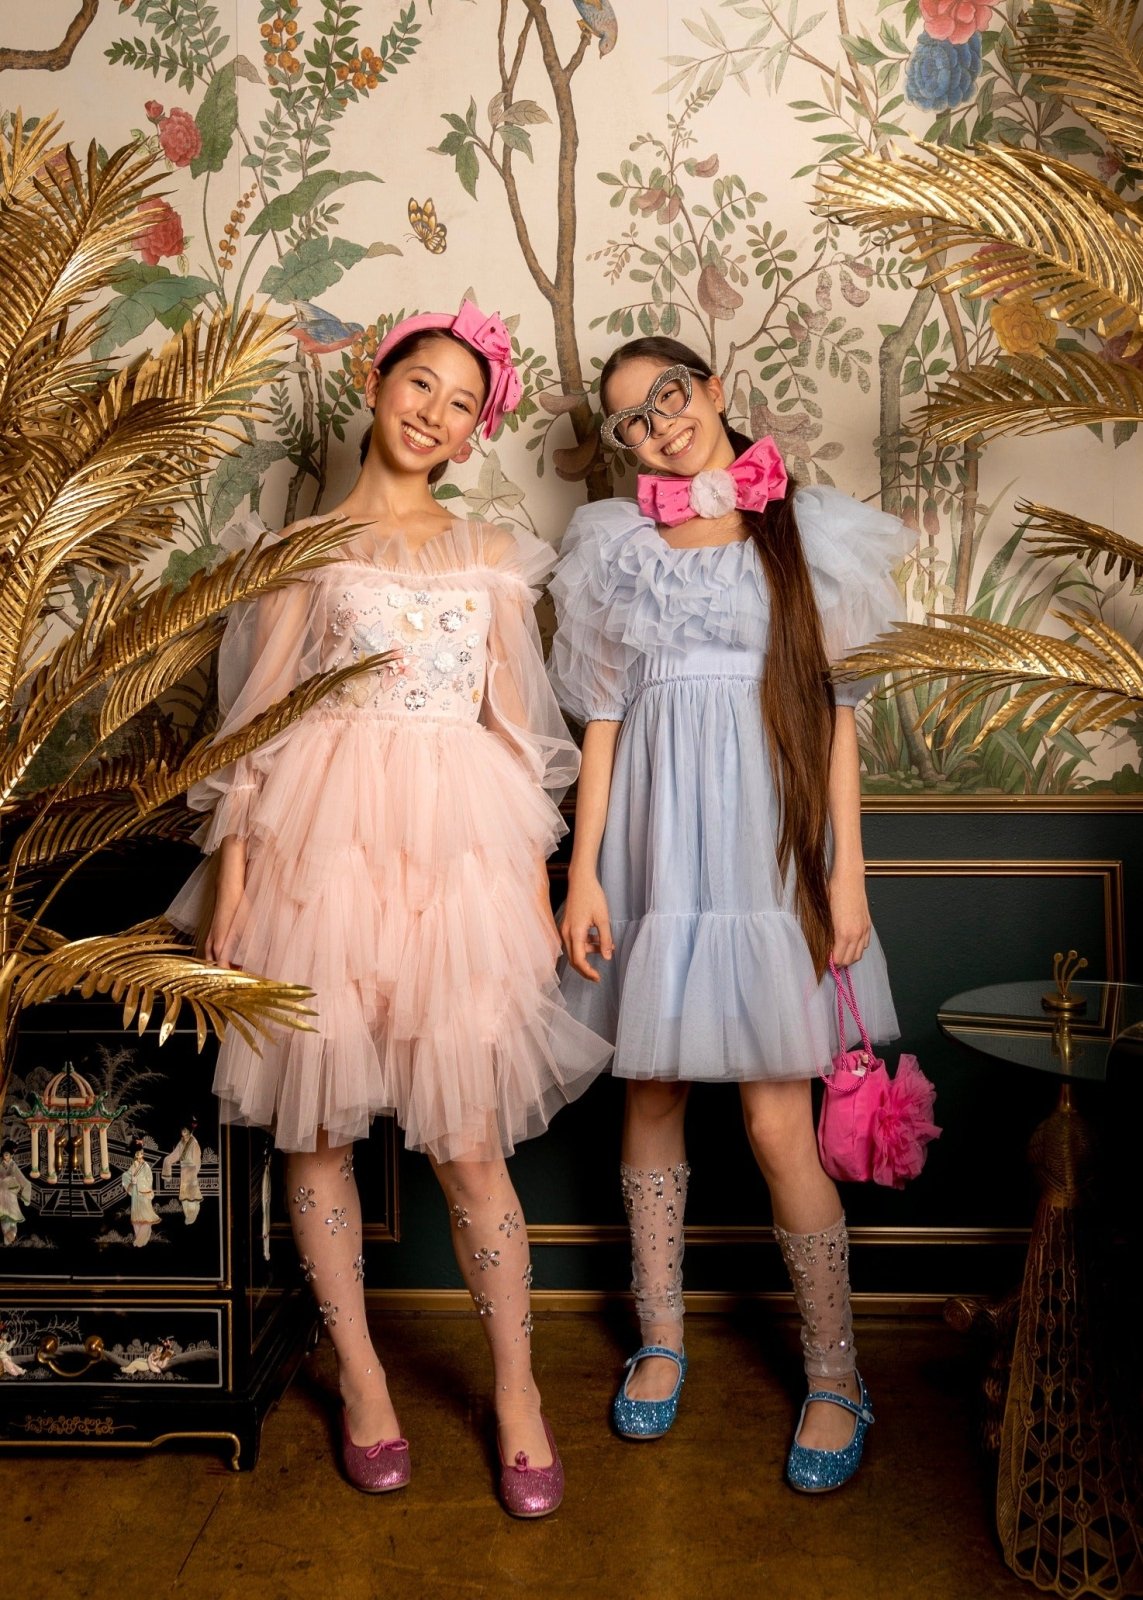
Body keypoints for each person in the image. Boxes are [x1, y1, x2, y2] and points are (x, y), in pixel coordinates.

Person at [167, 300, 610, 1515]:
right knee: (316, 1132)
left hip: (456, 862)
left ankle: (516, 1392)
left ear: (474, 434)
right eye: (421, 384)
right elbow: (254, 727)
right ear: (376, 382)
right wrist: (234, 887)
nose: (435, 413)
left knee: (471, 1143)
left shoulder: (490, 554)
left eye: (463, 404)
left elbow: (518, 736)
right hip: (323, 855)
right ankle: (363, 1380)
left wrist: (526, 891)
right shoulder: (303, 549)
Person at [548, 337, 910, 1493]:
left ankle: (836, 1372)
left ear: (712, 390)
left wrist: (846, 875)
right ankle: (660, 1337)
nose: (658, 423)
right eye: (631, 418)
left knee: (774, 1122)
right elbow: (604, 723)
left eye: (670, 395)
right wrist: (584, 874)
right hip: (654, 853)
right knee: (651, 1095)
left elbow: (838, 720)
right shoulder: (617, 548)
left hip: (766, 855)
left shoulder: (803, 531)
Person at [162, 1119, 203, 1224]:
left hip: (191, 1170)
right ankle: (188, 1215)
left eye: (185, 1130)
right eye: (182, 1130)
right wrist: (168, 1160)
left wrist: (194, 1172)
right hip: (184, 1171)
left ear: (189, 1130)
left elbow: (197, 1159)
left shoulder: (194, 1142)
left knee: (192, 1194)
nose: (183, 1132)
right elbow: (176, 1154)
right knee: (184, 1195)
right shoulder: (181, 1142)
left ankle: (193, 1214)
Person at [123, 1139, 161, 1248]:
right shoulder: (133, 1166)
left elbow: (149, 1179)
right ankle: (139, 1239)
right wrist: (131, 1181)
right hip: (135, 1195)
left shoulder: (146, 1166)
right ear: (134, 1154)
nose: (140, 1155)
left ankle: (141, 1240)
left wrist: (139, 1182)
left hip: (144, 1193)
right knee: (136, 1219)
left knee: (146, 1218)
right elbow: (126, 1175)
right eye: (137, 1153)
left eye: (141, 1153)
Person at [0, 1141, 32, 1247]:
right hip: (1, 1196)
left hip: (11, 1196)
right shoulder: (0, 1165)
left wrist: (26, 1196)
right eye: (4, 1155)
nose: (5, 1157)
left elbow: (24, 1181)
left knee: (13, 1221)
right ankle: (7, 1241)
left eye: (7, 1154)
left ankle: (11, 1239)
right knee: (4, 1221)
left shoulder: (13, 1166)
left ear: (11, 1155)